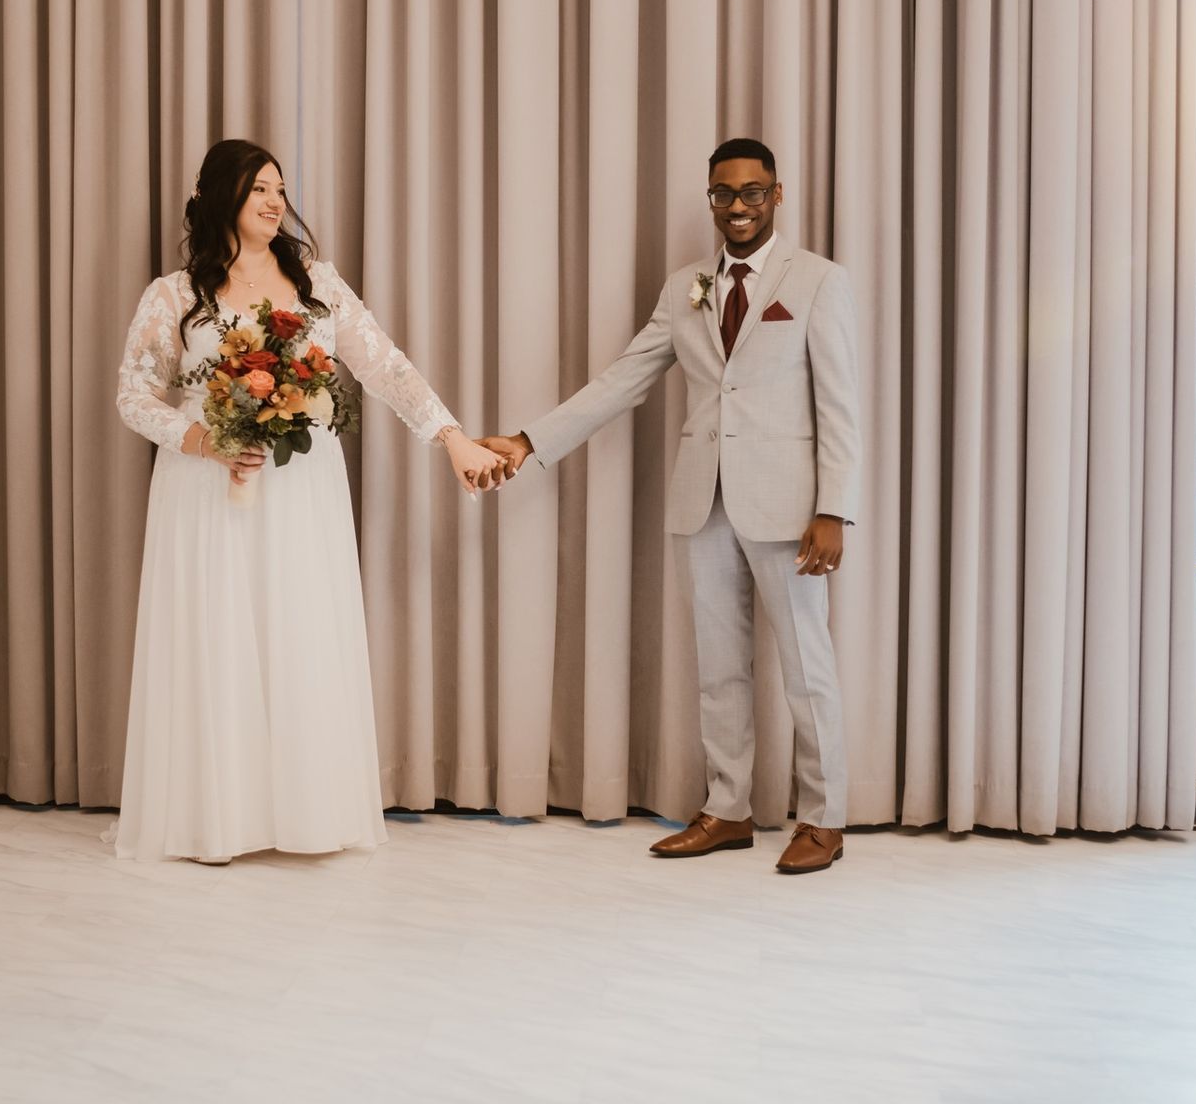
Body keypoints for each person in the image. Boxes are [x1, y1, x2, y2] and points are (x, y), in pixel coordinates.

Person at [102, 139, 505, 864]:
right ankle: (214, 820)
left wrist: (451, 437)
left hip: (302, 486)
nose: (275, 202)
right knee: (217, 637)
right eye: (259, 187)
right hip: (205, 487)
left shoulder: (315, 282)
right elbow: (133, 396)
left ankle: (305, 814)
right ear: (219, 195)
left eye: (280, 189)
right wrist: (204, 440)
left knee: (300, 633)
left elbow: (385, 366)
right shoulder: (173, 296)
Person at [479, 138, 860, 875]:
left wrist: (833, 509)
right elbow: (624, 379)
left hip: (790, 507)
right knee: (719, 669)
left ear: (777, 195)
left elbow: (840, 406)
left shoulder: (819, 281)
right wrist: (529, 441)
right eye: (724, 193)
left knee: (806, 665)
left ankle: (824, 819)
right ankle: (728, 809)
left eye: (753, 192)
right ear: (710, 198)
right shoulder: (687, 285)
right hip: (702, 501)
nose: (738, 206)